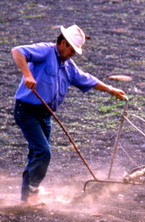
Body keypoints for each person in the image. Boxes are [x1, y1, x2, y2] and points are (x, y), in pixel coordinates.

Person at [12, 24, 127, 206]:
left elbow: (85, 78)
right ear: (63, 43)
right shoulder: (45, 51)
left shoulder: (67, 65)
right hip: (27, 111)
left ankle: (28, 194)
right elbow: (17, 51)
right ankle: (32, 194)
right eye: (72, 49)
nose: (73, 53)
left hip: (45, 113)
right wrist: (27, 75)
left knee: (37, 152)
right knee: (43, 152)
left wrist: (111, 89)